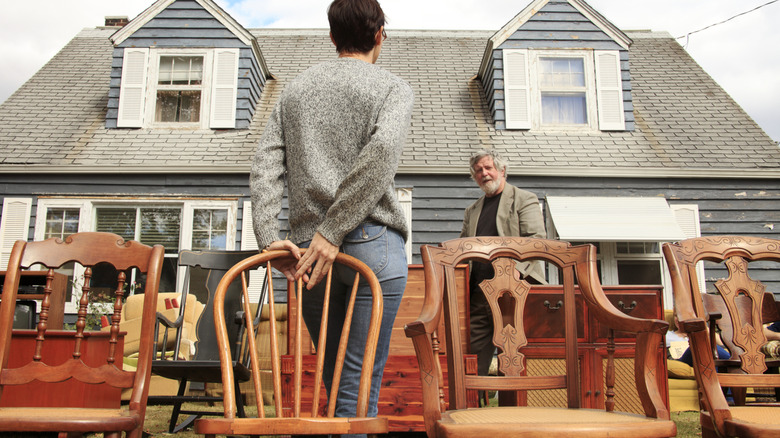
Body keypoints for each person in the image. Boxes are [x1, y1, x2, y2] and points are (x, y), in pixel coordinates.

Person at [249, 0, 414, 428]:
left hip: (306, 253)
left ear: (332, 37)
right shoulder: (393, 88)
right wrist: (336, 229)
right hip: (372, 246)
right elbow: (379, 158)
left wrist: (270, 240)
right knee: (357, 383)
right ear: (380, 35)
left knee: (335, 377)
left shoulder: (295, 90)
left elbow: (265, 165)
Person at [460, 149, 546, 380]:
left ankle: (517, 413)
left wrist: (517, 271)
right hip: (478, 294)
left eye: (488, 168)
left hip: (513, 292)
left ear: (502, 170)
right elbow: (461, 249)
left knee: (514, 355)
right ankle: (473, 411)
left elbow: (536, 239)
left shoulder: (523, 199)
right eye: (478, 171)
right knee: (473, 356)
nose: (484, 173)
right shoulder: (472, 211)